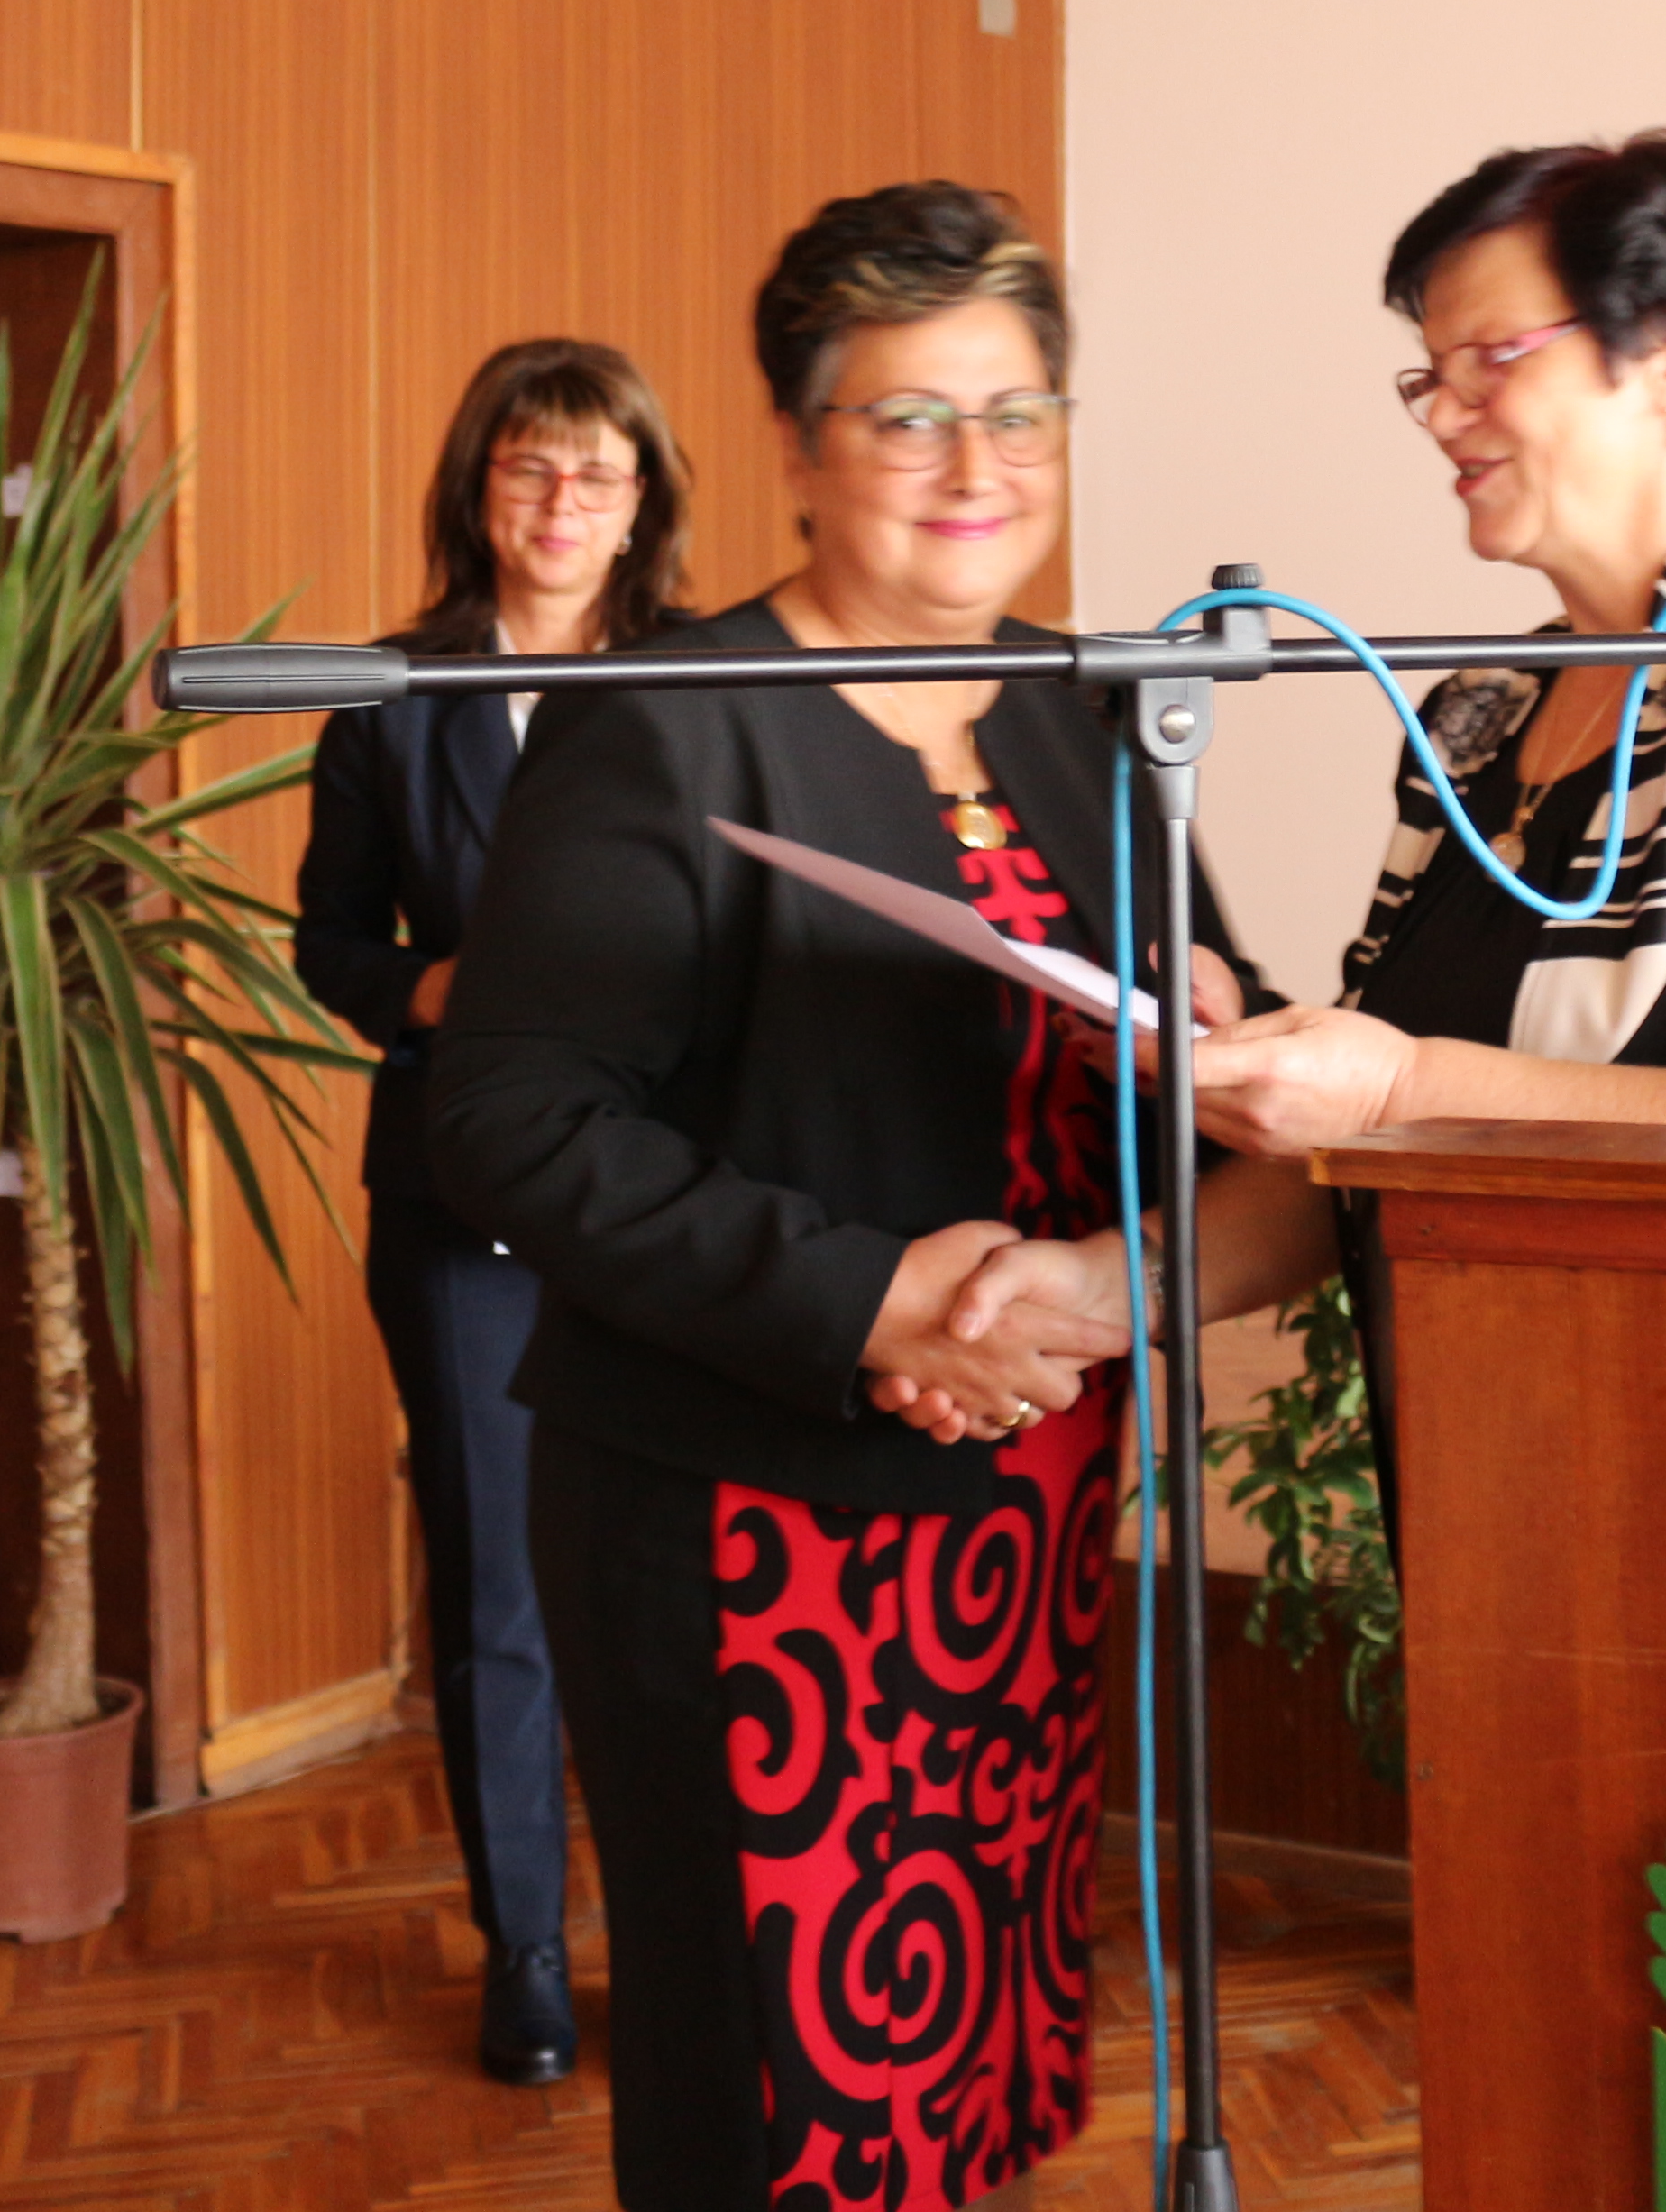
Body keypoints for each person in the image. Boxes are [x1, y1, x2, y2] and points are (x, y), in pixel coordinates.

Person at [431, 183, 1270, 2212]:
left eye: (1019, 412)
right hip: (749, 1531)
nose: (979, 468)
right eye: (910, 416)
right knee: (779, 2085)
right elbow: (513, 1122)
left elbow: (1213, 1053)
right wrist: (871, 1297)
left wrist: (1197, 1069)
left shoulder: (1082, 707)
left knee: (974, 2042)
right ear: (801, 448)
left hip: (1025, 1506)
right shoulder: (663, 724)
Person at [889, 130, 1666, 1489]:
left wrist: (1396, 1085)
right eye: (1429, 375)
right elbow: (1376, 1136)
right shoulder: (1481, 707)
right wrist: (1104, 1281)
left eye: (1495, 359)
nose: (1441, 414)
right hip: (1491, 1458)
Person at [292, 337, 690, 2089]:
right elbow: (327, 944)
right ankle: (524, 1947)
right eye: (532, 466)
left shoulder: (709, 683)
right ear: (481, 488)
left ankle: (683, 1940)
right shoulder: (392, 695)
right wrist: (432, 988)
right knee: (499, 1589)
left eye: (598, 471)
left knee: (679, 1582)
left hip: (676, 1197)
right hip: (464, 1201)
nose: (563, 501)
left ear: (643, 499)